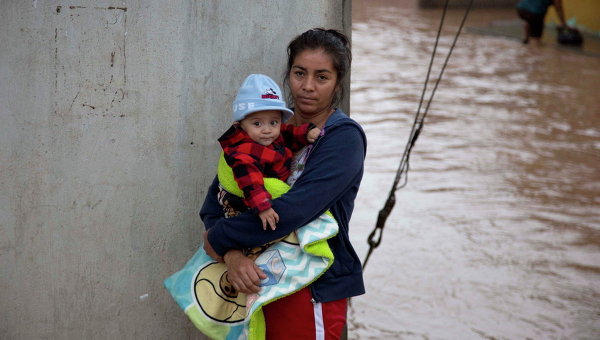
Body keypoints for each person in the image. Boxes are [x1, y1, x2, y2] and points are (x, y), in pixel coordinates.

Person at [200, 28, 366, 339]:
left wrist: (220, 237)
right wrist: (231, 255)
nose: (307, 87)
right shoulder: (266, 129)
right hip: (252, 283)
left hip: (311, 287)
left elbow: (292, 211)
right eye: (299, 73)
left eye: (321, 77)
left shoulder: (343, 138)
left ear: (338, 83)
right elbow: (219, 198)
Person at [218, 73, 321, 231]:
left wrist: (307, 133)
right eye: (257, 123)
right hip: (252, 203)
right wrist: (263, 207)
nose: (267, 130)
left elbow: (288, 133)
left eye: (274, 122)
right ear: (240, 124)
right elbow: (251, 182)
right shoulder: (243, 151)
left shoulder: (275, 135)